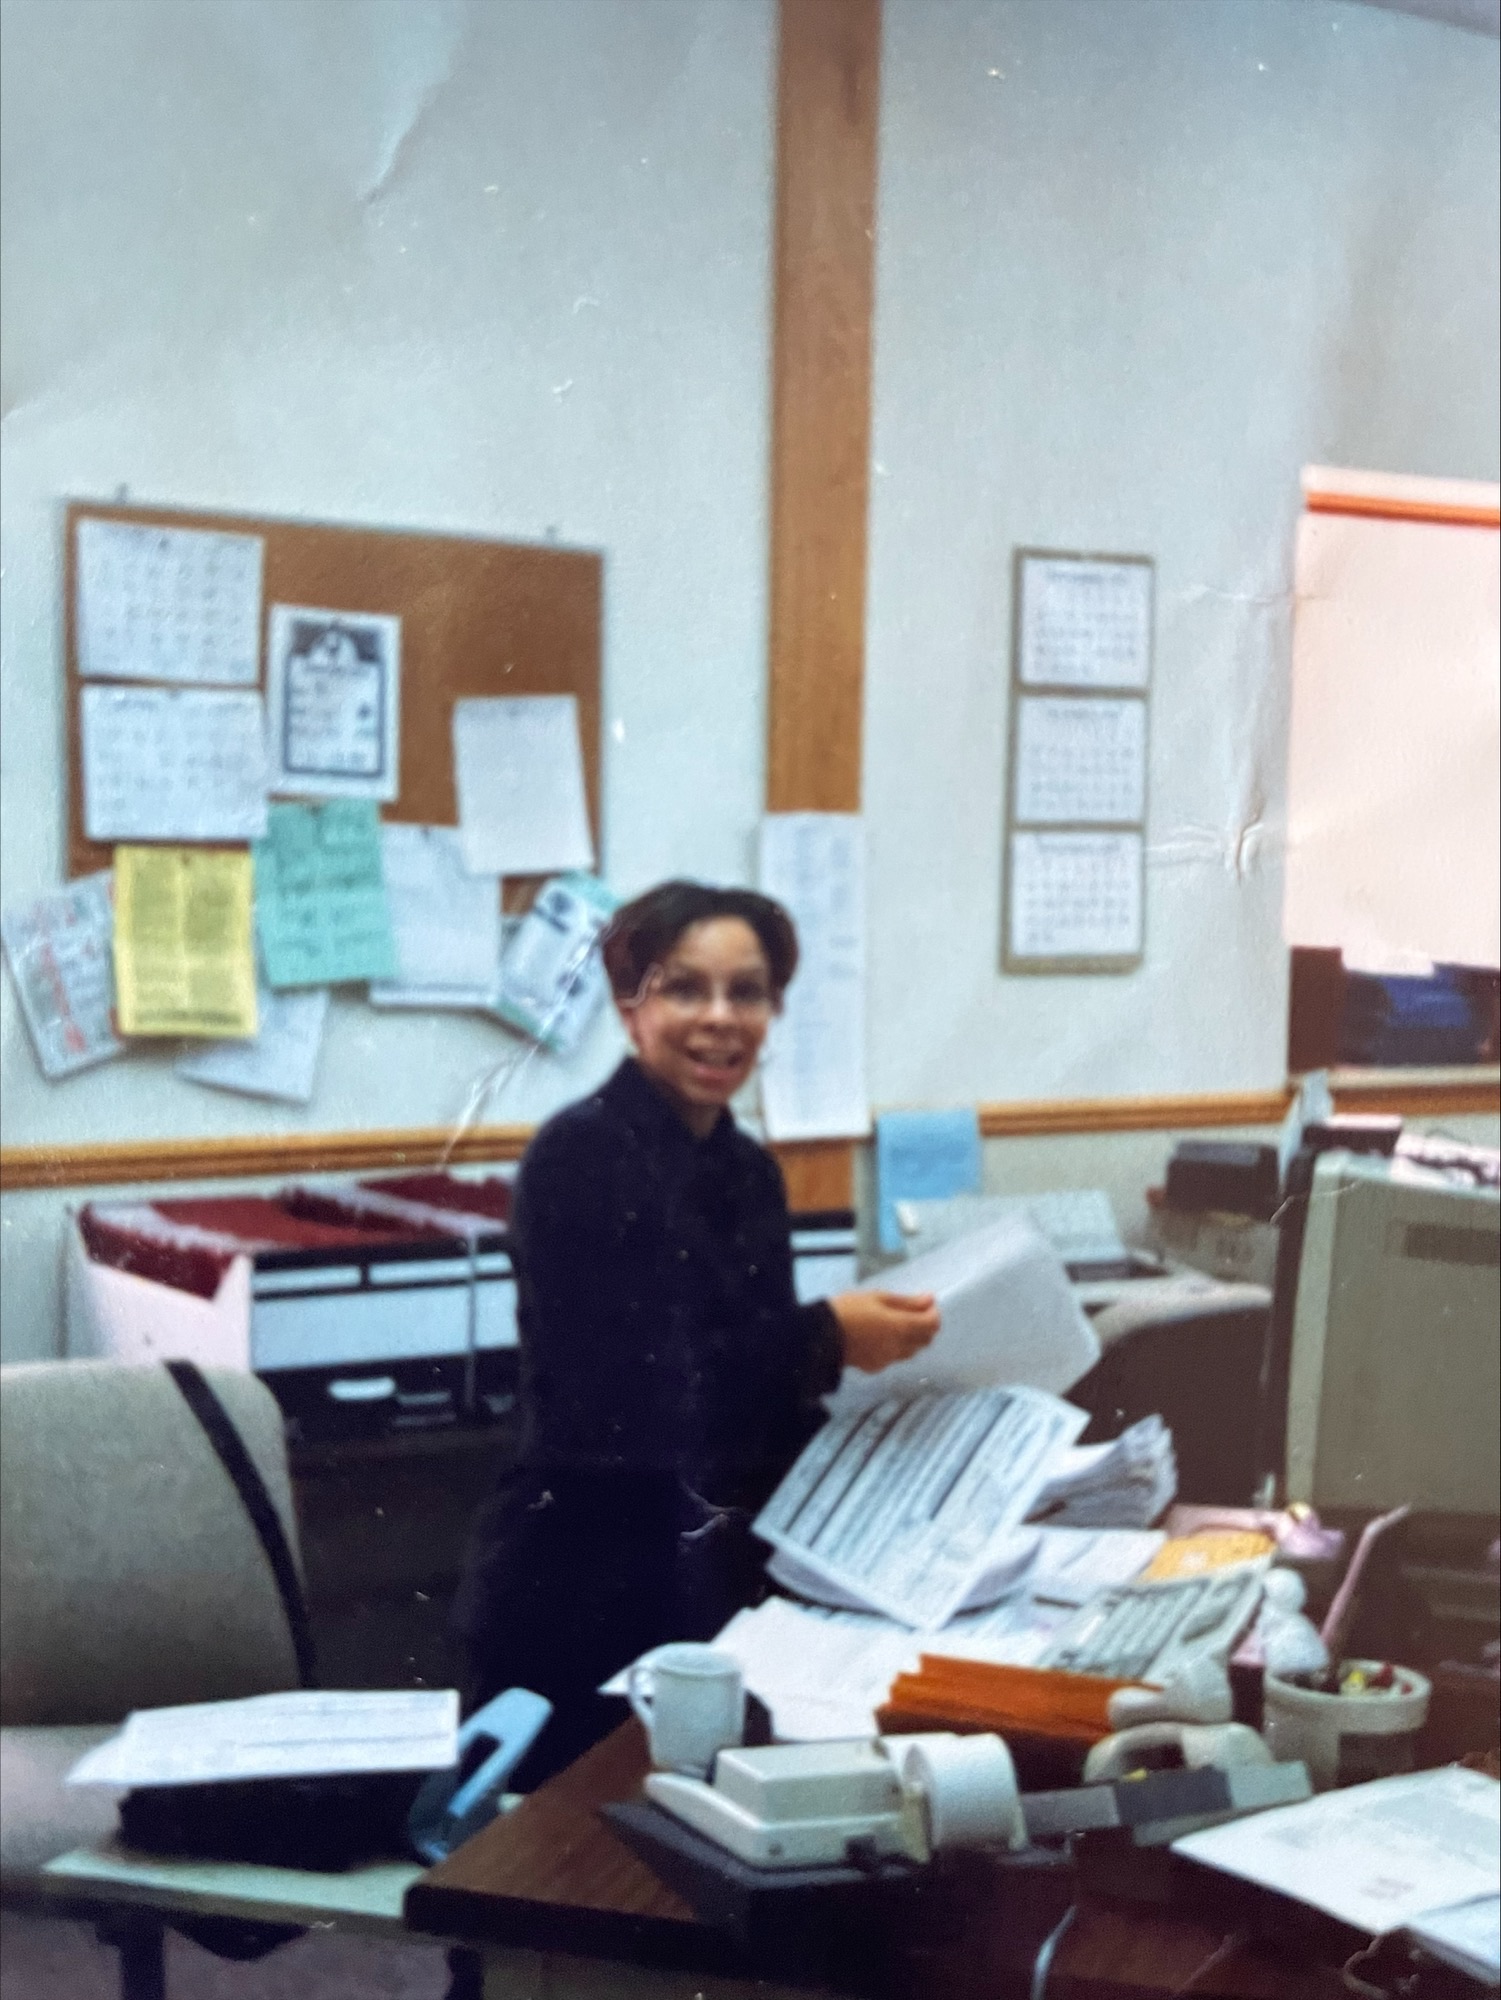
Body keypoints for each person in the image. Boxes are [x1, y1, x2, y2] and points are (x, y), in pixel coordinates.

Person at [452, 879, 940, 1785]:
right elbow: (634, 1401)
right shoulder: (579, 1156)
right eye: (685, 989)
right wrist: (827, 1337)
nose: (720, 1019)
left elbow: (762, 1401)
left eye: (746, 993)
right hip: (584, 1590)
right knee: (562, 1883)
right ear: (631, 1008)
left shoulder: (747, 1172)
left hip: (717, 1575)